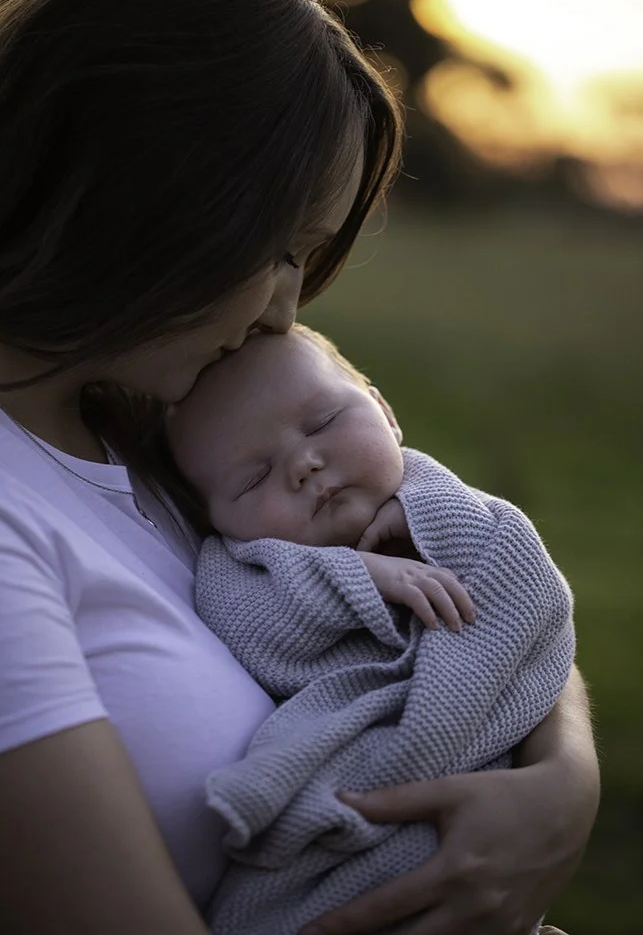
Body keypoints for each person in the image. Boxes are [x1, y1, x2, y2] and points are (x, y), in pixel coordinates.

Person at [0, 0, 598, 934]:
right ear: (152, 190)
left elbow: (474, 569)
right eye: (278, 248)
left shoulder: (145, 410)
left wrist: (562, 786)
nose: (285, 309)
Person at [165, 323, 577, 935]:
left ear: (383, 410)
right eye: (253, 479)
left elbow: (534, 602)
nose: (305, 464)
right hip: (341, 843)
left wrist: (429, 525)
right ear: (217, 520)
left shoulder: (460, 513)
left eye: (323, 422)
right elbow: (251, 629)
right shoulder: (241, 567)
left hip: (480, 818)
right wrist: (351, 574)